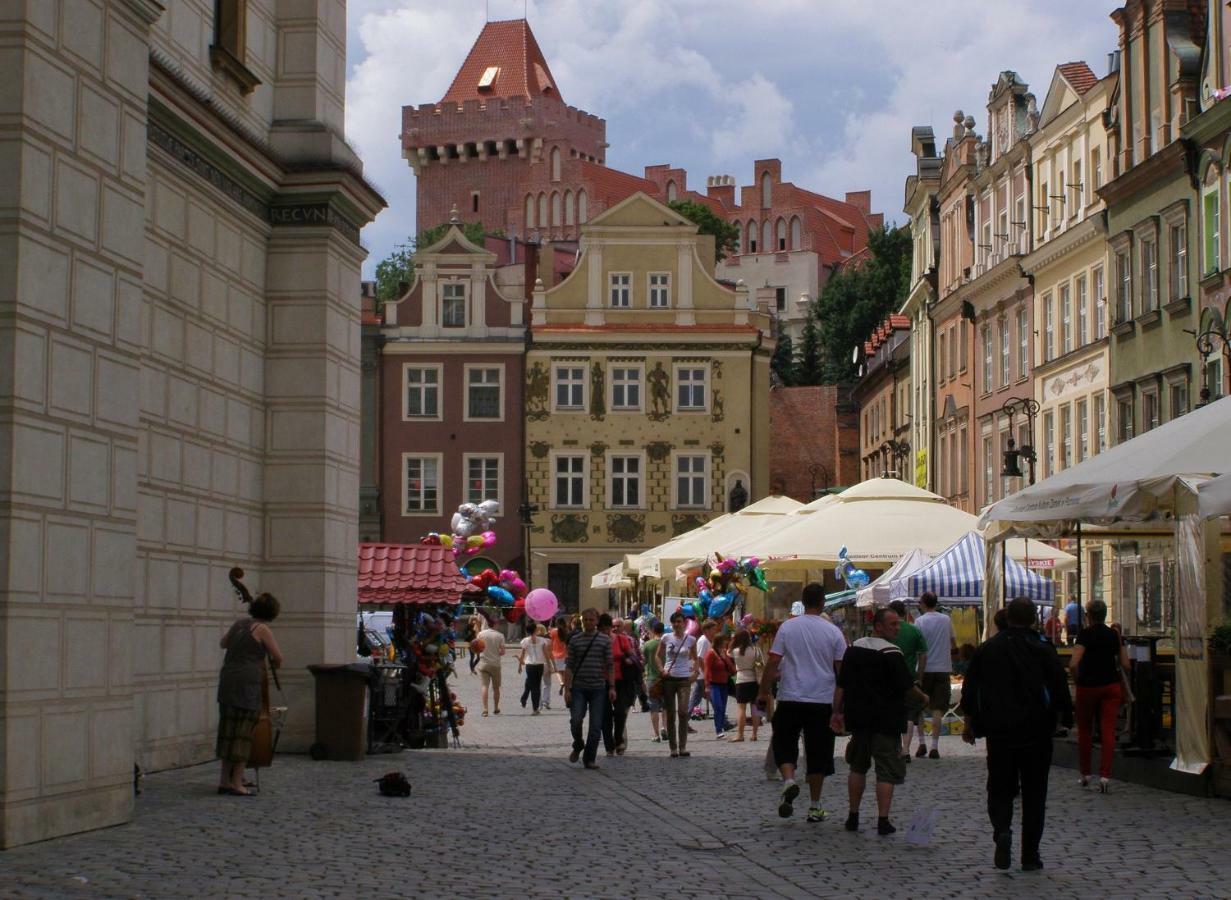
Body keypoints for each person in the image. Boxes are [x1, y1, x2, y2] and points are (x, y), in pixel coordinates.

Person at [962, 597, 1074, 872]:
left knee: (999, 786)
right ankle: (1030, 854)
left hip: (1000, 731)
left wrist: (970, 723)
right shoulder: (1043, 649)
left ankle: (1002, 828)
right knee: (1035, 793)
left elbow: (970, 688)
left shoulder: (989, 649)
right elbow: (1060, 688)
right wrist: (1063, 720)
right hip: (1036, 731)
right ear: (1034, 618)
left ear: (1007, 618)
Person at [757, 582, 847, 823]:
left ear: (803, 601)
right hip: (821, 699)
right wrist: (840, 706)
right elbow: (842, 672)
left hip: (790, 696)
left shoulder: (788, 628)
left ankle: (788, 780)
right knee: (818, 754)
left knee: (784, 743)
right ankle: (815, 806)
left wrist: (764, 691)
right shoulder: (834, 632)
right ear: (822, 603)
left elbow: (773, 661)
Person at [831, 607, 924, 835]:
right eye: (893, 624)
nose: (897, 628)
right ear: (879, 626)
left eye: (898, 624)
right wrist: (924, 697)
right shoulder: (892, 653)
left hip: (859, 719)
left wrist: (836, 710)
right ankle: (883, 819)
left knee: (858, 767)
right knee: (886, 770)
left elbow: (841, 685)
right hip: (886, 720)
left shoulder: (855, 649)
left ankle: (853, 815)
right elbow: (907, 686)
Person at [216, 592, 283, 796]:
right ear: (272, 613)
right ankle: (237, 782)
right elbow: (278, 657)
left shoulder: (239, 624)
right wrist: (270, 665)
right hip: (247, 685)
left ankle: (224, 780)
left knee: (228, 731)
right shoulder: (262, 629)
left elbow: (224, 643)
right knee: (243, 733)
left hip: (228, 681)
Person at [1070, 598, 1129, 793]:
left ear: (1088, 616)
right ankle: (1105, 776)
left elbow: (1073, 663)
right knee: (1108, 730)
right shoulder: (1114, 634)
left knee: (1086, 729)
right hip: (1111, 686)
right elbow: (1125, 664)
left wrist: (1078, 679)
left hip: (1088, 686)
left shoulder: (1084, 635)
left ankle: (1086, 773)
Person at [563, 608, 614, 770]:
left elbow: (610, 665)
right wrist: (567, 689)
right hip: (578, 687)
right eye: (585, 620)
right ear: (581, 621)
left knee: (596, 725)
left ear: (597, 621)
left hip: (598, 687)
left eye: (591, 620)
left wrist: (612, 687)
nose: (588, 623)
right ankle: (578, 743)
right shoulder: (575, 640)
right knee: (576, 720)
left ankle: (589, 758)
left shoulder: (604, 640)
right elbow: (569, 666)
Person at [913, 592, 955, 759]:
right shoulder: (946, 620)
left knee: (920, 707)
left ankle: (922, 743)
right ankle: (935, 746)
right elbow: (953, 642)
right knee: (937, 708)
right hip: (943, 667)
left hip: (924, 668)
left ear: (923, 604)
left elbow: (917, 645)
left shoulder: (919, 621)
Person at [888, 599, 928, 762]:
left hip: (890, 677)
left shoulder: (888, 631)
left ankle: (897, 748)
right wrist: (920, 675)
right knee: (909, 716)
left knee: (893, 713)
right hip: (910, 675)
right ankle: (906, 749)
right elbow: (923, 654)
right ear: (905, 613)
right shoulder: (914, 630)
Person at [654, 612, 698, 758]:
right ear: (671, 624)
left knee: (684, 712)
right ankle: (673, 747)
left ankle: (683, 746)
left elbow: (695, 658)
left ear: (684, 623)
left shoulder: (691, 639)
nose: (677, 624)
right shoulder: (666, 638)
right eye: (674, 622)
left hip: (684, 679)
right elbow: (658, 656)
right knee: (671, 714)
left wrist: (695, 673)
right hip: (669, 679)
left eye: (679, 622)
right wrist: (661, 670)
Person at [600, 614, 636, 756]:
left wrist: (627, 659)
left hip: (621, 680)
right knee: (605, 716)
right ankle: (609, 746)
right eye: (603, 629)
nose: (607, 631)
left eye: (608, 628)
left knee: (620, 711)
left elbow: (632, 656)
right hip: (602, 681)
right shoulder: (597, 641)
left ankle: (618, 738)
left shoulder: (622, 640)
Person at [730, 629, 762, 742]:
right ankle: (754, 734)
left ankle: (740, 734)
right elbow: (761, 664)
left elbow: (727, 652)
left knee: (741, 708)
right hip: (754, 680)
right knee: (755, 708)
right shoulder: (756, 650)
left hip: (741, 679)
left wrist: (733, 640)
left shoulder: (735, 651)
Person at [705, 633, 736, 739]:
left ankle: (721, 727)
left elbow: (733, 670)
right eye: (724, 640)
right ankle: (718, 729)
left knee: (722, 707)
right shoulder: (711, 653)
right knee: (718, 706)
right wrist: (707, 685)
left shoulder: (724, 653)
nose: (726, 642)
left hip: (724, 684)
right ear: (719, 641)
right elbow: (707, 670)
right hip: (714, 684)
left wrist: (725, 658)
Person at [475, 617, 506, 717]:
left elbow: (476, 646)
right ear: (495, 624)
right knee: (496, 688)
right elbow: (502, 652)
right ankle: (496, 708)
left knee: (484, 686)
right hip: (495, 664)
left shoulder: (481, 634)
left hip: (483, 662)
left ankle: (485, 709)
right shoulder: (500, 636)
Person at [688, 619, 719, 717]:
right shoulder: (703, 641)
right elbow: (700, 659)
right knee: (709, 698)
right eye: (714, 629)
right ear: (707, 630)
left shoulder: (709, 641)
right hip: (702, 676)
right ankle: (723, 721)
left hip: (703, 676)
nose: (715, 631)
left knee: (697, 700)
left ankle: (684, 720)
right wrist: (707, 674)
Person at [518, 623, 550, 714]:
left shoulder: (525, 641)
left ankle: (524, 698)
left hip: (530, 665)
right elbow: (546, 654)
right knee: (536, 686)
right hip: (539, 664)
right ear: (536, 630)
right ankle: (535, 708)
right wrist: (549, 665)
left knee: (530, 684)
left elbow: (522, 654)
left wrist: (520, 665)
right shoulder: (542, 640)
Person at [643, 621, 666, 742]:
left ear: (652, 630)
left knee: (654, 708)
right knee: (666, 706)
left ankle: (656, 735)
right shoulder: (666, 643)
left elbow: (643, 661)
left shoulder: (647, 644)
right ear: (663, 630)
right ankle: (664, 728)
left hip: (652, 679)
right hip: (666, 678)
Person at [548, 616, 573, 710]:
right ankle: (567, 686)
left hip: (556, 654)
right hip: (565, 654)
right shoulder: (568, 632)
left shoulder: (553, 631)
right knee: (565, 673)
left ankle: (562, 683)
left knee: (558, 671)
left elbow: (549, 641)